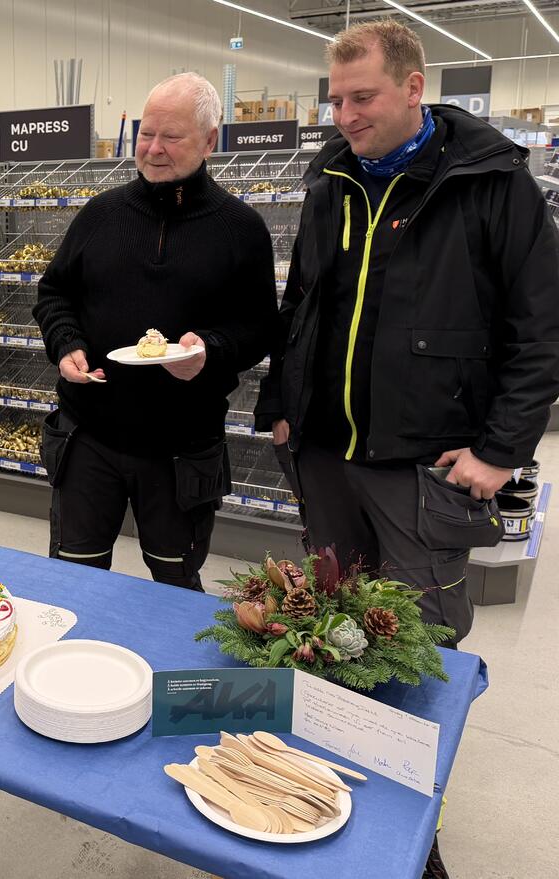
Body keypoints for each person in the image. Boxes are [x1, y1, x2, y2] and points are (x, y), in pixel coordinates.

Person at [255, 22, 559, 879]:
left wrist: (501, 454)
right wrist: (283, 404)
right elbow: (304, 302)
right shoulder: (332, 182)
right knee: (328, 633)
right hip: (324, 457)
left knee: (417, 650)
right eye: (336, 98)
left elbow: (541, 333)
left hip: (424, 467)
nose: (343, 115)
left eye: (363, 98)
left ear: (415, 88)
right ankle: (328, 804)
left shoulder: (494, 185)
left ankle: (408, 841)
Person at [33, 73, 279, 589]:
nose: (154, 149)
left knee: (174, 585)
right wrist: (67, 344)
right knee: (75, 577)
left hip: (182, 448)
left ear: (210, 140)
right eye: (147, 134)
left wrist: (209, 351)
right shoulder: (101, 215)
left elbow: (259, 326)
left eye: (173, 136)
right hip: (89, 437)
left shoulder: (241, 229)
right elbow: (54, 292)